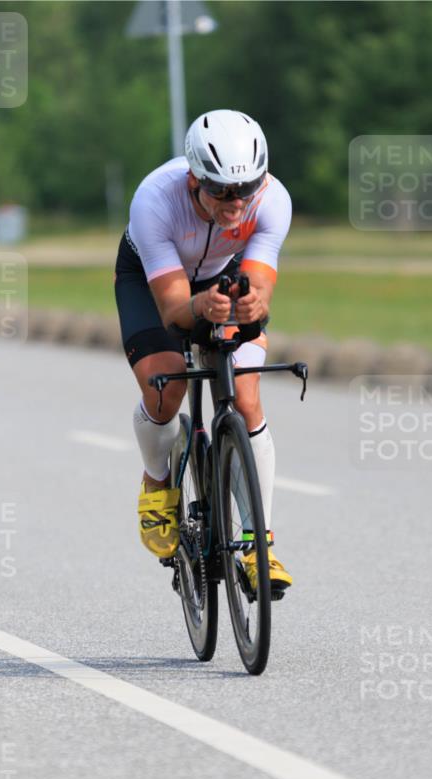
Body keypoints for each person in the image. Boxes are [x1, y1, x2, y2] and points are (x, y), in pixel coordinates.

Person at [114, 108, 293, 591]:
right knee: (165, 385)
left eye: (246, 189)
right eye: (220, 191)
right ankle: (157, 482)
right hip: (154, 280)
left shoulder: (273, 200)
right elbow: (174, 310)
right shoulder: (154, 200)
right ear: (194, 179)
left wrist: (252, 302)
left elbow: (260, 286)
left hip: (221, 274)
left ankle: (260, 545)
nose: (235, 203)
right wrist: (199, 306)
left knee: (247, 396)